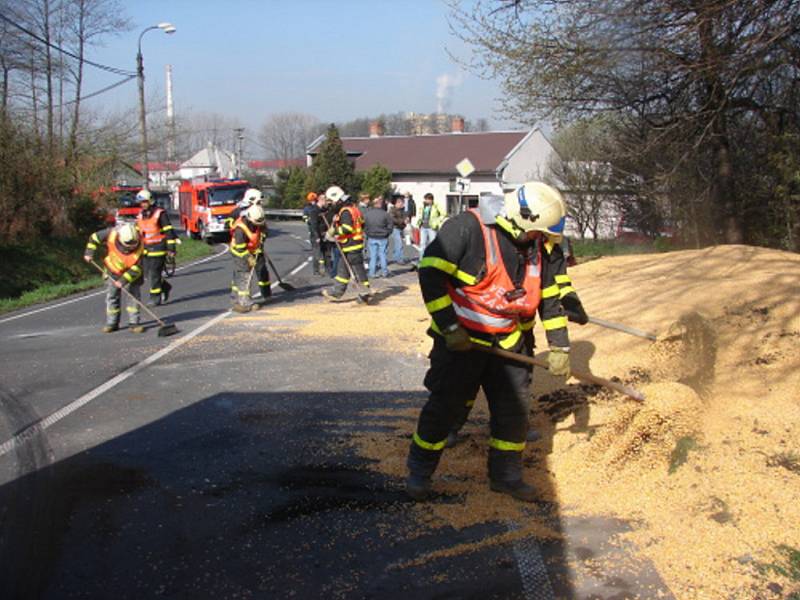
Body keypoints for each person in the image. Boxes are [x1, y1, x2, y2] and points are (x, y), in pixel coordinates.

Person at [405, 182, 574, 503]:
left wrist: (560, 346)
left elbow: (549, 298)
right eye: (537, 232)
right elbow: (430, 274)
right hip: (461, 342)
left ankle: (506, 476)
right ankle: (419, 471)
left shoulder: (536, 245)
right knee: (444, 408)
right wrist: (449, 327)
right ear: (521, 219)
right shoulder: (467, 229)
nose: (540, 239)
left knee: (514, 411)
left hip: (510, 342)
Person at [83, 222, 145, 333]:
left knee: (133, 297)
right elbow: (94, 238)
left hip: (132, 274)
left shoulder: (142, 246)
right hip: (112, 270)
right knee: (112, 297)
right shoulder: (111, 234)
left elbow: (137, 269)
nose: (131, 247)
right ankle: (112, 323)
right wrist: (89, 252)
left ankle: (134, 323)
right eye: (128, 244)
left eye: (133, 244)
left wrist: (122, 281)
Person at [321, 185, 371, 301]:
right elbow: (361, 224)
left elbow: (347, 228)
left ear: (337, 199)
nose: (331, 204)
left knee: (358, 272)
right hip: (351, 245)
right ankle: (336, 292)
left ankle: (365, 293)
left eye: (331, 201)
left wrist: (335, 232)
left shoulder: (345, 212)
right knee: (343, 270)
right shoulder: (354, 209)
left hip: (351, 246)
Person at [135, 189, 177, 306]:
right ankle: (165, 286)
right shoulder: (140, 215)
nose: (143, 204)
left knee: (154, 274)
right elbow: (139, 233)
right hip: (145, 249)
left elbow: (169, 231)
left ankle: (155, 298)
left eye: (145, 201)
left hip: (158, 248)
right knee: (148, 275)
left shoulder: (160, 214)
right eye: (141, 202)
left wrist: (171, 249)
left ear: (150, 201)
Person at [229, 204, 270, 313]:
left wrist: (263, 238)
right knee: (244, 274)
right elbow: (241, 248)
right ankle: (244, 301)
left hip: (252, 250)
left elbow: (264, 230)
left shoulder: (258, 219)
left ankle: (235, 298)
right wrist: (249, 258)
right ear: (249, 218)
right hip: (239, 252)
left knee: (242, 274)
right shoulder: (240, 229)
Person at [363, 194, 393, 279]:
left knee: (373, 256)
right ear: (380, 204)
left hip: (372, 236)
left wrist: (367, 233)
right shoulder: (385, 214)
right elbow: (390, 225)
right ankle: (384, 272)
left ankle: (372, 273)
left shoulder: (367, 214)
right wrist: (387, 233)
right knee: (382, 254)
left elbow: (364, 225)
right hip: (383, 236)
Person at [302, 191, 326, 276]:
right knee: (316, 251)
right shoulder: (307, 208)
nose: (313, 201)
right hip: (312, 230)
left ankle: (322, 267)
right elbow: (304, 217)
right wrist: (310, 220)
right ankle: (316, 269)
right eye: (312, 200)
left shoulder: (318, 208)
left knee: (322, 251)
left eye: (314, 199)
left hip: (319, 231)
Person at [415, 192, 445, 259]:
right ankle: (421, 258)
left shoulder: (436, 206)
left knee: (432, 243)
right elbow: (420, 215)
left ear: (431, 200)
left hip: (432, 227)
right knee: (422, 244)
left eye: (427, 199)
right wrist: (418, 223)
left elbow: (443, 214)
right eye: (425, 199)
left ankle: (433, 258)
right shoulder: (423, 206)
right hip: (423, 227)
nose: (426, 201)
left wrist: (437, 221)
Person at [389, 196, 407, 265]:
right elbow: (392, 219)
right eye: (401, 203)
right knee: (399, 243)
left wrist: (406, 219)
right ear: (397, 203)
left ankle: (396, 257)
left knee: (398, 244)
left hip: (401, 228)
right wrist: (403, 221)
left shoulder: (402, 210)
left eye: (403, 203)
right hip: (395, 228)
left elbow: (404, 217)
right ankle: (399, 259)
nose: (402, 204)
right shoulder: (392, 210)